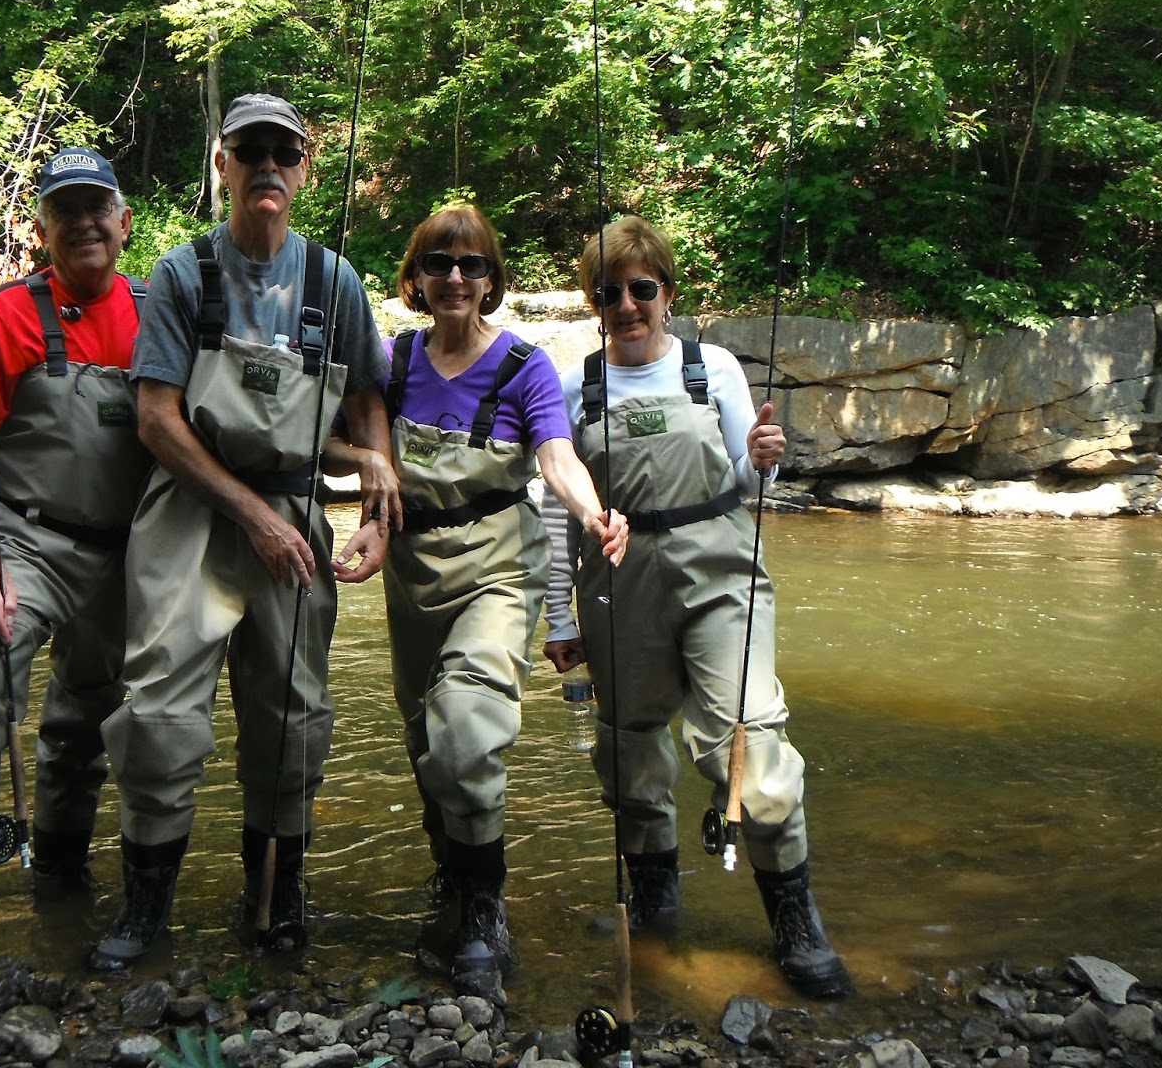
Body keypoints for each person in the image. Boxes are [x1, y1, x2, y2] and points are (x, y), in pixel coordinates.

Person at [90, 93, 397, 970]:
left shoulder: (337, 282)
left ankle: (275, 902)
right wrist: (250, 511)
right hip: (191, 513)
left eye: (283, 152)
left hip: (296, 515)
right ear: (222, 165)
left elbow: (369, 399)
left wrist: (377, 507)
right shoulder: (183, 274)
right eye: (249, 150)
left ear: (303, 169)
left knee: (293, 720)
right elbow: (155, 419)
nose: (267, 165)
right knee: (156, 716)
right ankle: (144, 907)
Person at [542, 216, 851, 999]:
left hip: (721, 575)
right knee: (631, 753)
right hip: (618, 581)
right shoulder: (574, 388)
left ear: (668, 295)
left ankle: (796, 922)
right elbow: (553, 508)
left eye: (642, 289)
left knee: (751, 748)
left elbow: (752, 488)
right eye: (608, 292)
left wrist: (764, 460)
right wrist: (560, 615)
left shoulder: (708, 368)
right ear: (593, 302)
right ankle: (656, 905)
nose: (626, 305)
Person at [330, 204, 628, 989]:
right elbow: (322, 440)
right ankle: (454, 885)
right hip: (411, 573)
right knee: (429, 747)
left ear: (493, 280)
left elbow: (557, 458)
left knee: (466, 731)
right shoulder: (390, 362)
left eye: (472, 266)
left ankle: (485, 913)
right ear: (416, 279)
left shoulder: (525, 365)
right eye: (438, 264)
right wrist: (367, 463)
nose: (455, 278)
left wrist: (594, 514)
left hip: (501, 570)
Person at [0, 148, 152, 1044]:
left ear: (125, 222)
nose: (85, 223)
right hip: (23, 541)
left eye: (100, 208)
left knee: (85, 723)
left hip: (124, 556)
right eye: (66, 211)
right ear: (42, 229)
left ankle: (60, 881)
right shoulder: (9, 316)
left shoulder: (155, 313)